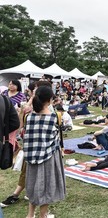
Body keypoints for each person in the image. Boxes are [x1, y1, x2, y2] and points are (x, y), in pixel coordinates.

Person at [23, 86, 66, 218]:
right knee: (46, 184)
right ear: (50, 99)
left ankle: (30, 214)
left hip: (32, 155)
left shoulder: (28, 117)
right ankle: (43, 215)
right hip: (49, 155)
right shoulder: (56, 116)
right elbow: (59, 136)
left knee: (33, 183)